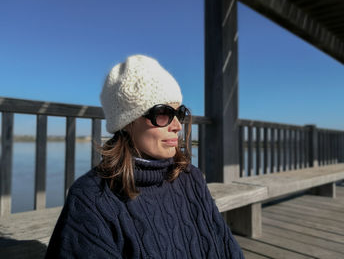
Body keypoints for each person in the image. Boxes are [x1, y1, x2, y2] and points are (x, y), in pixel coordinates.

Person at [45, 55, 244, 258]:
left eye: (178, 113)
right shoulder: (92, 198)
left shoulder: (190, 177)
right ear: (127, 122)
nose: (177, 126)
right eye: (163, 114)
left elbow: (227, 247)